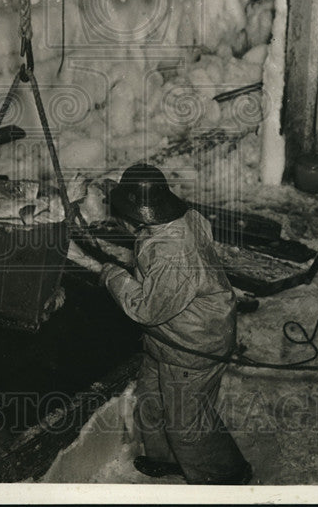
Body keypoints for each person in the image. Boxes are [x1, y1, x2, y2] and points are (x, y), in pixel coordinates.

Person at [97, 163, 253, 485]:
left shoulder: (172, 255)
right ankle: (166, 459)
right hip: (168, 338)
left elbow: (146, 309)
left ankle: (227, 478)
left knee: (188, 424)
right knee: (151, 396)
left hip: (194, 345)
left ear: (139, 213)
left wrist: (111, 274)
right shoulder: (181, 220)